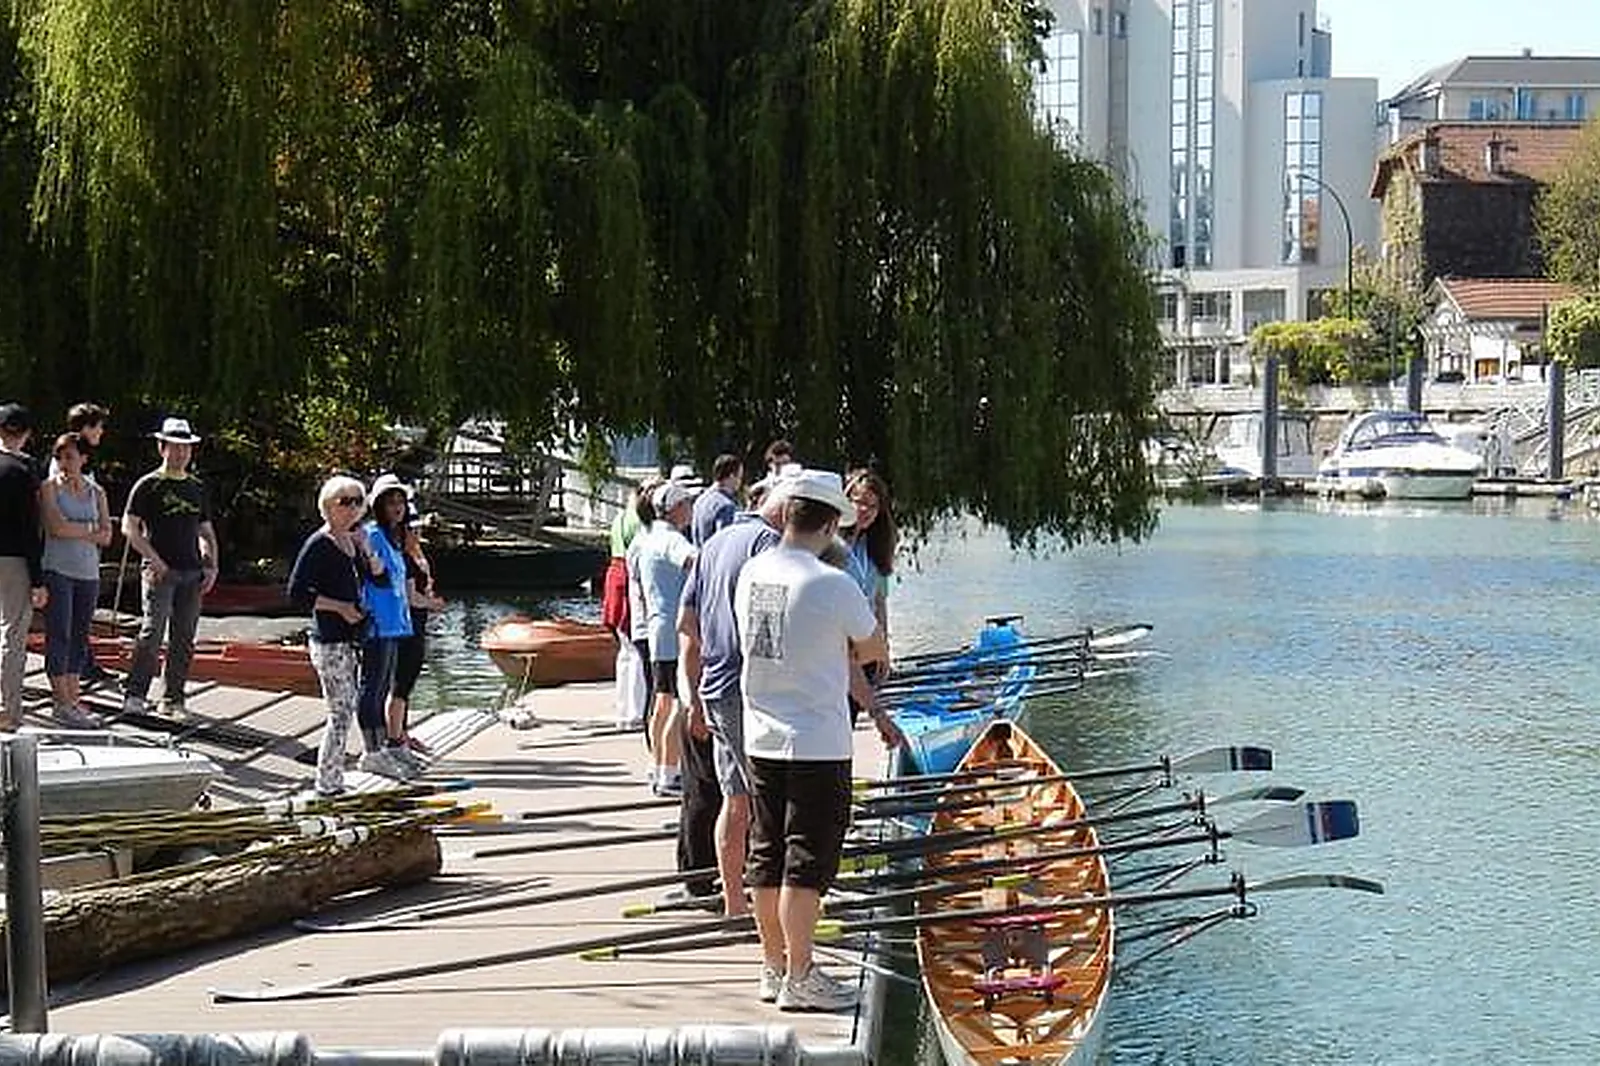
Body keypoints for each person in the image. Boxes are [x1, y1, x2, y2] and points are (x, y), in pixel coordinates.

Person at [733, 470, 901, 1011]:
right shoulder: (833, 582)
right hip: (817, 740)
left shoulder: (751, 570)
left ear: (785, 515)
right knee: (806, 862)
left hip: (760, 733)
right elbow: (872, 648)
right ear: (830, 524)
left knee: (767, 855)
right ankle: (802, 975)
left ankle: (774, 965)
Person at [676, 477, 802, 917]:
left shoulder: (714, 543)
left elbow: (686, 623)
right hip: (751, 689)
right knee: (768, 801)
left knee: (735, 798)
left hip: (715, 683)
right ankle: (774, 904)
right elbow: (768, 638)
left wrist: (692, 694)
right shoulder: (768, 548)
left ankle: (735, 903)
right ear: (789, 513)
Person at [121, 416, 218, 718]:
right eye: (174, 448)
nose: (180, 454)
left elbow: (205, 530)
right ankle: (135, 693)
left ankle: (173, 698)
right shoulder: (148, 485)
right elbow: (130, 527)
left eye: (185, 448)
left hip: (191, 571)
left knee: (184, 637)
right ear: (162, 448)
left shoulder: (196, 487)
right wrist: (154, 558)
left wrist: (212, 563)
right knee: (152, 632)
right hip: (159, 571)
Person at [287, 475, 372, 797]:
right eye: (344, 502)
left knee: (347, 707)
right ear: (327, 507)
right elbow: (297, 593)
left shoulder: (353, 542)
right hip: (329, 639)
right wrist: (338, 607)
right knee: (340, 710)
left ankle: (334, 776)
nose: (351, 509)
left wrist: (367, 551)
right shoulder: (319, 544)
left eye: (356, 501)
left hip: (352, 638)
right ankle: (327, 782)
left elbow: (372, 580)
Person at [39, 433, 111, 728]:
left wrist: (80, 529)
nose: (64, 463)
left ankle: (73, 697)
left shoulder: (97, 492)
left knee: (80, 636)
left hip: (88, 572)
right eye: (60, 457)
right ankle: (61, 701)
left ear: (84, 458)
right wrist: (88, 530)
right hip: (58, 570)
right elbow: (56, 528)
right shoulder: (49, 488)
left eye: (70, 456)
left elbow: (107, 535)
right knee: (60, 633)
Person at [630, 480, 697, 795]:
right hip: (675, 629)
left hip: (656, 627)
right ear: (676, 508)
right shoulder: (672, 539)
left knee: (662, 701)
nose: (692, 510)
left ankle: (657, 766)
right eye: (688, 504)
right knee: (681, 703)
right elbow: (696, 561)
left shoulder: (646, 538)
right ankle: (669, 774)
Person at [357, 474, 419, 779]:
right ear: (378, 506)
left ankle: (390, 747)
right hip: (378, 623)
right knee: (373, 686)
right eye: (390, 502)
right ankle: (372, 750)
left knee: (384, 686)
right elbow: (373, 577)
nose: (397, 508)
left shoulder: (397, 538)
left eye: (400, 502)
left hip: (396, 623)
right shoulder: (373, 535)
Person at [0, 404, 46, 731]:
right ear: (26, 434)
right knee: (12, 633)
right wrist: (38, 578)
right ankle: (7, 711)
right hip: (14, 558)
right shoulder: (25, 470)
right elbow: (31, 527)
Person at [60, 403, 112, 686]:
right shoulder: (64, 460)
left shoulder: (87, 463)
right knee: (69, 616)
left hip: (85, 552)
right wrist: (91, 530)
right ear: (86, 428)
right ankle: (72, 671)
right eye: (98, 426)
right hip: (65, 553)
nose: (102, 432)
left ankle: (83, 663)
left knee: (82, 613)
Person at [387, 503, 444, 755]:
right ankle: (395, 738)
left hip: (418, 624)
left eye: (418, 530)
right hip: (406, 625)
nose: (417, 535)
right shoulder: (402, 558)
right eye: (412, 530)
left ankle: (403, 733)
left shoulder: (415, 554)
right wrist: (432, 603)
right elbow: (410, 597)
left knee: (409, 681)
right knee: (401, 681)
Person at [843, 468, 897, 722]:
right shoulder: (831, 544)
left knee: (851, 716)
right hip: (839, 646)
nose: (865, 511)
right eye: (860, 502)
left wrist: (882, 645)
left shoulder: (874, 546)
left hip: (865, 643)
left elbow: (878, 600)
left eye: (873, 506)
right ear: (847, 501)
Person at [602, 482, 649, 730]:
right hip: (628, 577)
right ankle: (635, 712)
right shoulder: (639, 521)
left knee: (624, 650)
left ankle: (623, 709)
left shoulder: (619, 517)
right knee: (635, 651)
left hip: (614, 574)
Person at [692, 454, 744, 547]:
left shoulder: (699, 500)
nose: (740, 482)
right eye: (740, 477)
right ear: (732, 476)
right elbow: (725, 544)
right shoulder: (726, 506)